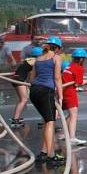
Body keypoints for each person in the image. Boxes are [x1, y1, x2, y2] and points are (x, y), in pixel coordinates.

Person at [30, 36, 64, 166]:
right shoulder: (56, 58)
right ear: (57, 49)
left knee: (45, 121)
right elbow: (57, 78)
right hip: (46, 91)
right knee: (50, 122)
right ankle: (51, 155)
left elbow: (32, 78)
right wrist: (60, 96)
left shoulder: (37, 59)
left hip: (34, 91)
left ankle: (43, 152)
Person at [9, 46, 42, 127]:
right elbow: (31, 74)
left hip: (17, 79)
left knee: (22, 99)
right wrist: (32, 83)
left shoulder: (29, 60)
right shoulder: (36, 62)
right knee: (23, 99)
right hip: (20, 80)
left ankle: (15, 118)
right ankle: (15, 120)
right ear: (40, 54)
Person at [61, 48, 87, 145]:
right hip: (69, 92)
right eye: (84, 59)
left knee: (69, 114)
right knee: (74, 115)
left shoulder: (69, 66)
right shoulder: (79, 68)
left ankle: (64, 134)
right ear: (81, 59)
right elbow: (78, 84)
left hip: (63, 92)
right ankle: (72, 137)